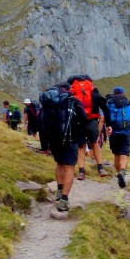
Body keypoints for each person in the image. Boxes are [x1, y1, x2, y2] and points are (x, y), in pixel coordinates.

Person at [40, 82, 87, 212]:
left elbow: (41, 119)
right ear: (68, 89)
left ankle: (59, 191)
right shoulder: (73, 101)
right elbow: (84, 118)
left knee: (59, 164)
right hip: (70, 139)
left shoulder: (48, 101)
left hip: (53, 139)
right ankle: (64, 200)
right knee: (69, 167)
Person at [67, 75, 109, 180]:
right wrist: (108, 123)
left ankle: (81, 172)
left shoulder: (72, 91)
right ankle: (100, 168)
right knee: (94, 143)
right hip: (92, 121)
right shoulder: (93, 91)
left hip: (78, 122)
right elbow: (105, 106)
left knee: (81, 146)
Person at [105, 86, 130, 189]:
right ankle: (122, 172)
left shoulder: (108, 103)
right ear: (123, 93)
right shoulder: (127, 104)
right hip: (125, 132)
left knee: (116, 154)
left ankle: (119, 173)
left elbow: (103, 118)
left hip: (113, 132)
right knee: (124, 154)